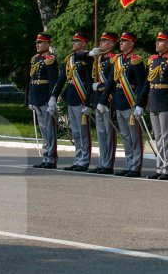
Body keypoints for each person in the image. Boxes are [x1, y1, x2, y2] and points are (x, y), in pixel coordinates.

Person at [103, 31, 147, 177]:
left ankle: (135, 166)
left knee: (134, 137)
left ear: (131, 43)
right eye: (120, 41)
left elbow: (142, 84)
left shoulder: (136, 60)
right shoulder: (117, 60)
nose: (120, 43)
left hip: (131, 102)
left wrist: (140, 103)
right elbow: (111, 81)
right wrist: (103, 101)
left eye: (124, 41)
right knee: (125, 137)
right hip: (119, 102)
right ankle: (129, 163)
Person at [50, 32, 94, 171]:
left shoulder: (88, 59)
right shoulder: (70, 59)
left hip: (81, 99)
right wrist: (54, 96)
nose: (74, 43)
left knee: (83, 132)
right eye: (74, 41)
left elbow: (90, 80)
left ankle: (84, 161)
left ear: (83, 44)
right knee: (75, 131)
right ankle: (78, 159)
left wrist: (88, 103)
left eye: (77, 41)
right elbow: (62, 79)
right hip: (71, 98)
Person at [144, 31, 168, 181]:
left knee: (166, 137)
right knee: (158, 137)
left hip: (165, 102)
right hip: (154, 101)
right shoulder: (152, 60)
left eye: (161, 41)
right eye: (157, 41)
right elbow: (148, 83)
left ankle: (167, 169)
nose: (157, 43)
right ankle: (159, 167)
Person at [87, 31, 118, 174]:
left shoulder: (114, 59)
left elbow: (113, 81)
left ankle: (108, 164)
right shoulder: (98, 59)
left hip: (108, 99)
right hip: (98, 99)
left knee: (108, 133)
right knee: (100, 133)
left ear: (111, 44)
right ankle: (102, 162)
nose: (100, 43)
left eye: (104, 41)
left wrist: (99, 87)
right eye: (100, 41)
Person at [29, 32, 59, 169]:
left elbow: (53, 81)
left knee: (49, 130)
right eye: (36, 43)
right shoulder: (35, 59)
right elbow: (32, 81)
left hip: (46, 99)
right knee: (43, 130)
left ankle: (51, 158)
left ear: (47, 44)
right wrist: (31, 99)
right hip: (37, 98)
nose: (37, 45)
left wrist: (52, 99)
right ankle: (46, 156)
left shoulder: (50, 59)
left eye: (40, 43)